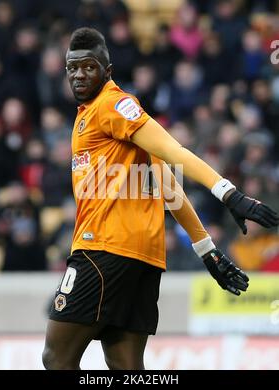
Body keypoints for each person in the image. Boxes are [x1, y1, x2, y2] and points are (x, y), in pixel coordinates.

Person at [42, 28, 279, 370]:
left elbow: (172, 149)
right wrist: (207, 249)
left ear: (107, 70)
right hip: (144, 259)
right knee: (126, 367)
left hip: (103, 249)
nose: (79, 74)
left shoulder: (112, 105)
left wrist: (228, 193)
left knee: (55, 358)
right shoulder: (93, 116)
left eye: (88, 66)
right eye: (72, 67)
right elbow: (168, 185)